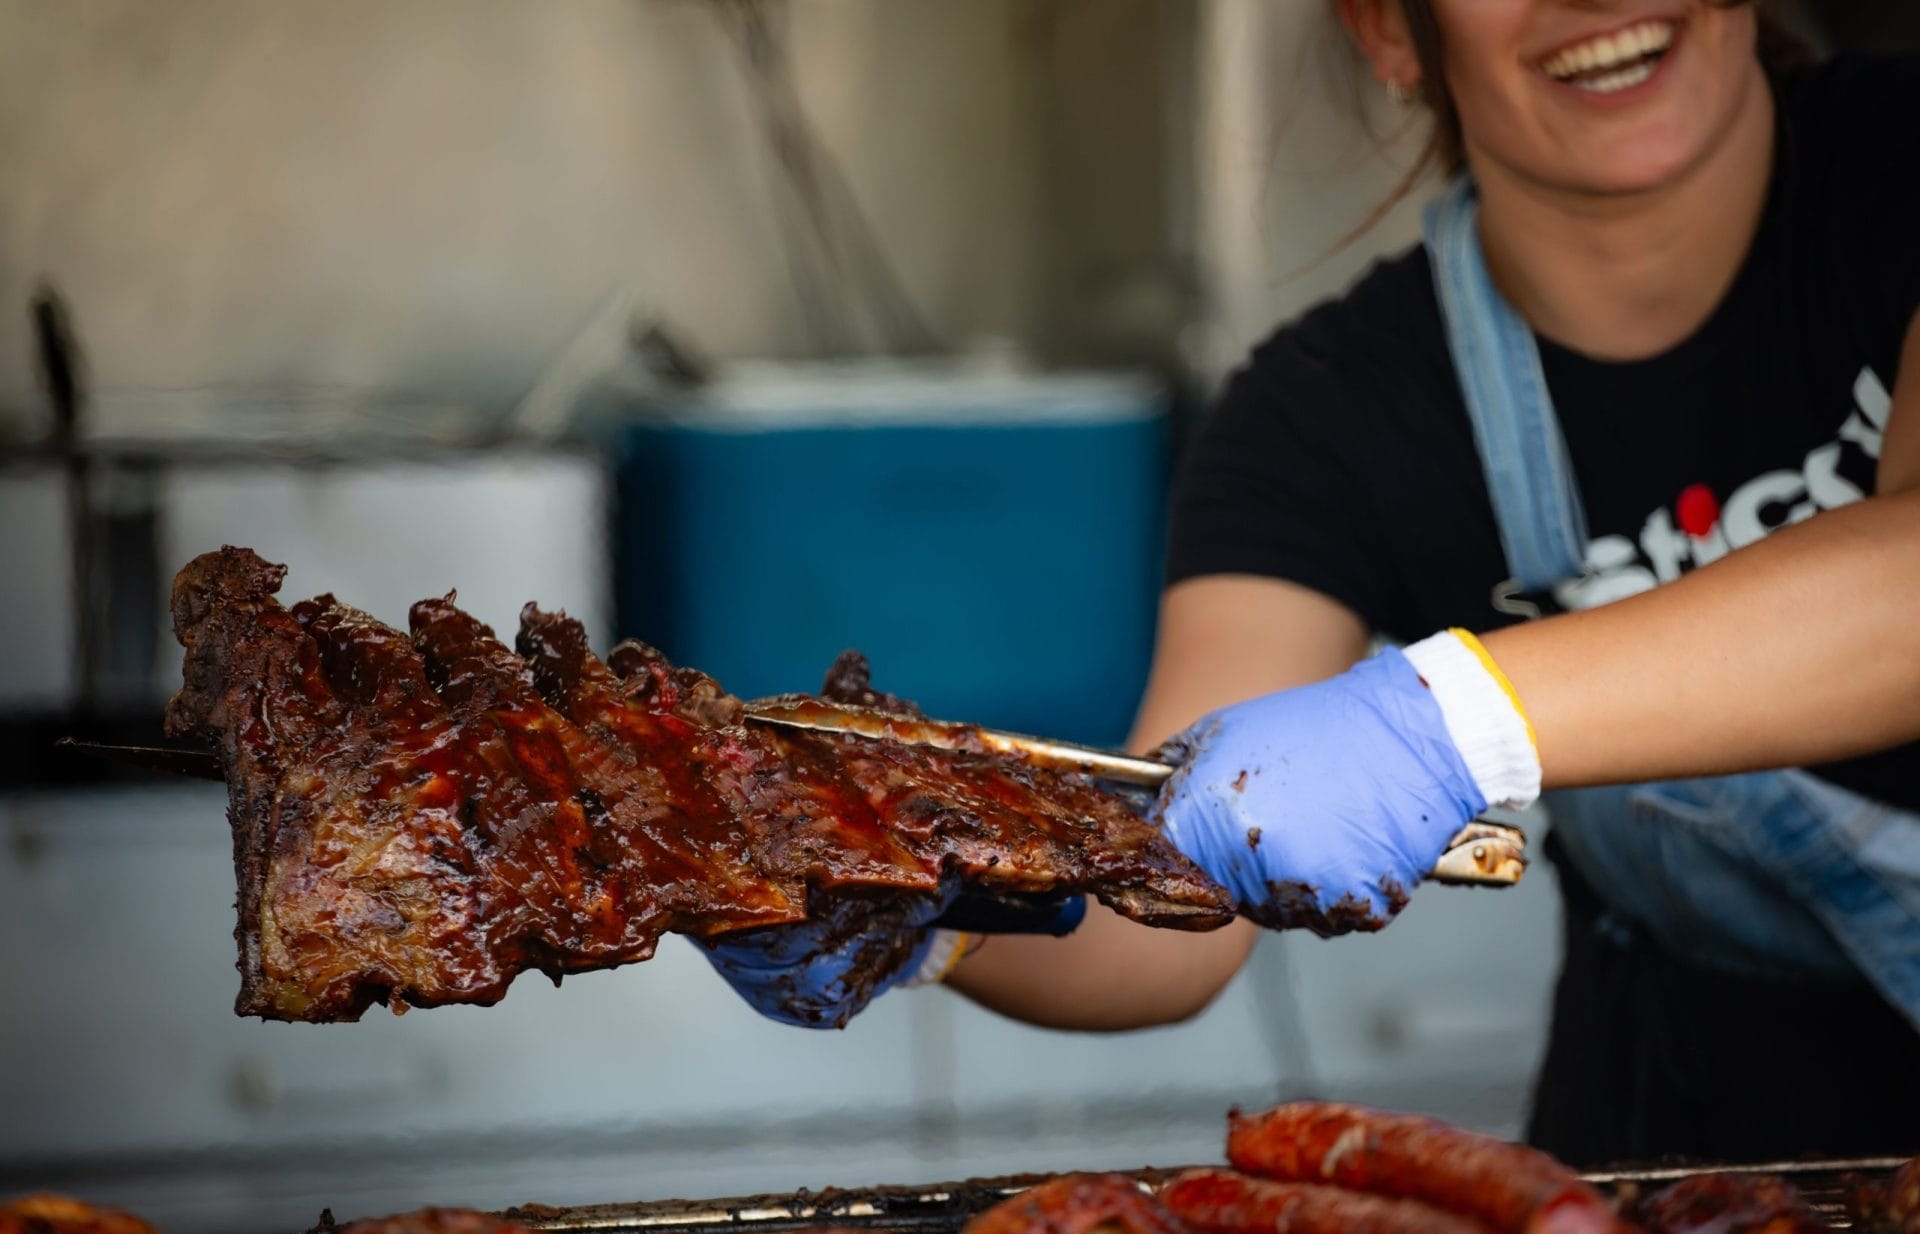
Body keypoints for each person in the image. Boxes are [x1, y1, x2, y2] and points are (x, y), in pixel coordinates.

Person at [704, 0, 1920, 1163]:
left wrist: (1444, 724)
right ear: (1393, 27)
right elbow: (1171, 923)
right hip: (1691, 1147)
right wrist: (935, 915)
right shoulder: (1324, 416)